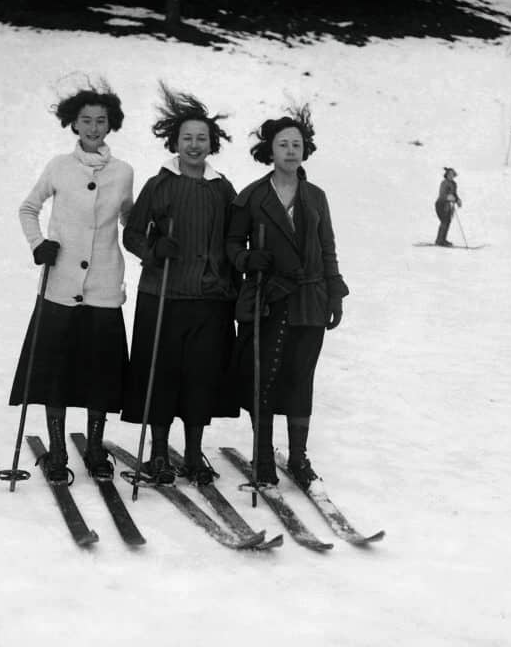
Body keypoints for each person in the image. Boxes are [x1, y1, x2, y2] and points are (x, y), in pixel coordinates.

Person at [9, 82, 134, 484]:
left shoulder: (123, 172)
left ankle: (96, 448)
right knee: (56, 370)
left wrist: (150, 228)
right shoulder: (58, 166)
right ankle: (58, 449)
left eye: (101, 121)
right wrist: (39, 243)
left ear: (110, 124)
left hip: (103, 285)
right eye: (86, 121)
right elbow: (29, 208)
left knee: (101, 370)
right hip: (60, 284)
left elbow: (130, 220)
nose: (94, 128)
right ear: (74, 124)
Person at [121, 82, 240, 486]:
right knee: (162, 374)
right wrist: (155, 249)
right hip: (164, 294)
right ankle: (157, 453)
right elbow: (132, 234)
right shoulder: (159, 184)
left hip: (211, 299)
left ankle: (192, 453)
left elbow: (234, 241)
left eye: (201, 138)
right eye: (187, 138)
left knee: (201, 376)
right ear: (175, 141)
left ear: (212, 144)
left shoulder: (223, 188)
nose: (194, 145)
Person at [225, 105, 349, 489]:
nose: (291, 151)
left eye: (297, 144)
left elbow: (327, 247)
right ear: (271, 150)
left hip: (310, 300)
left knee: (301, 378)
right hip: (269, 298)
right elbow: (231, 243)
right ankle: (263, 458)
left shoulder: (316, 197)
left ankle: (298, 458)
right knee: (265, 377)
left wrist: (335, 292)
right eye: (283, 144)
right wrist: (248, 258)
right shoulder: (251, 196)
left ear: (304, 150)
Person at [434, 166, 462, 246]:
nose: (451, 176)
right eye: (449, 174)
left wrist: (457, 200)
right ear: (446, 175)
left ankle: (442, 239)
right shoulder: (444, 183)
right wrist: (448, 197)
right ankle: (439, 240)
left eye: (452, 174)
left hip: (448, 205)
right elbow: (442, 194)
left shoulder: (454, 184)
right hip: (441, 204)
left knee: (447, 221)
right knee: (444, 221)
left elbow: (454, 194)